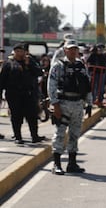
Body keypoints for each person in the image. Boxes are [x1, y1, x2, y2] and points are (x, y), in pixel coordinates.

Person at [48, 39, 93, 175]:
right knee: (60, 134)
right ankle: (56, 164)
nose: (73, 51)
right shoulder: (58, 66)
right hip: (63, 103)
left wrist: (89, 103)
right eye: (70, 49)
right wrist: (55, 105)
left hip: (78, 104)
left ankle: (72, 164)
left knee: (75, 134)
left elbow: (87, 85)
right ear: (65, 50)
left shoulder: (81, 65)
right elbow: (51, 86)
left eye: (75, 49)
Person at [0, 43, 45, 144]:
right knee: (16, 116)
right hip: (14, 94)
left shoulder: (30, 61)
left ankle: (34, 136)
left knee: (32, 116)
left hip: (29, 93)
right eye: (17, 51)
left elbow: (39, 73)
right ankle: (18, 136)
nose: (20, 53)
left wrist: (29, 64)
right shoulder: (9, 63)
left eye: (21, 51)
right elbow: (2, 80)